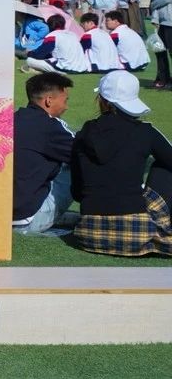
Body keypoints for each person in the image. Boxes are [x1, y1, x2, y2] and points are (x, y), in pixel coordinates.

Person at [69, 71, 172, 257]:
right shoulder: (146, 132)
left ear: (102, 100)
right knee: (163, 169)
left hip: (88, 234)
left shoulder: (83, 134)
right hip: (137, 233)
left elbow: (77, 192)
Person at [12, 72, 76, 235]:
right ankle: (102, 218)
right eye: (65, 101)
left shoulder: (10, 119)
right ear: (49, 100)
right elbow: (84, 153)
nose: (66, 107)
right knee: (79, 164)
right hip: (27, 220)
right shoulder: (50, 127)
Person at [21, 14, 89, 74]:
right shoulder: (73, 34)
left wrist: (29, 53)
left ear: (49, 26)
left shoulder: (52, 35)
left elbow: (39, 55)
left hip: (66, 69)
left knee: (29, 60)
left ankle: (40, 70)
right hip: (82, 68)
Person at [150, 0, 172, 90]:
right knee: (159, 52)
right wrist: (155, 19)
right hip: (163, 23)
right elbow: (159, 5)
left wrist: (153, 3)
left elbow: (164, 0)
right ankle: (163, 78)